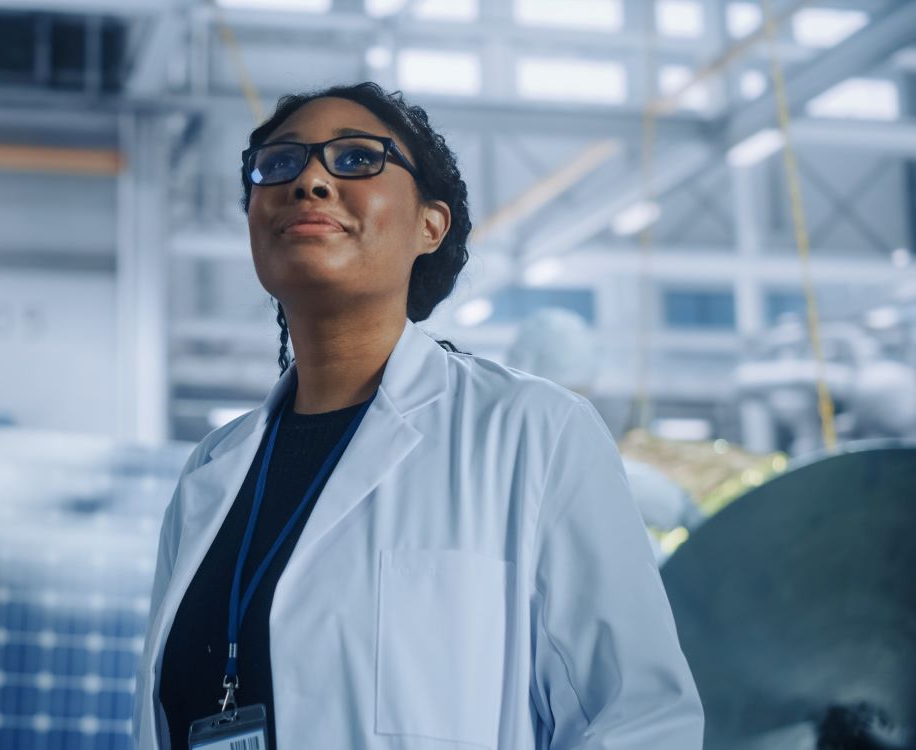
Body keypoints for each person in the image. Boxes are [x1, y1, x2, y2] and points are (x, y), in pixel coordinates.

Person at [133, 81, 703, 750]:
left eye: (356, 158)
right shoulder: (213, 471)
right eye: (278, 163)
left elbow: (637, 722)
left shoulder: (530, 432)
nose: (310, 178)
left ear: (430, 225)